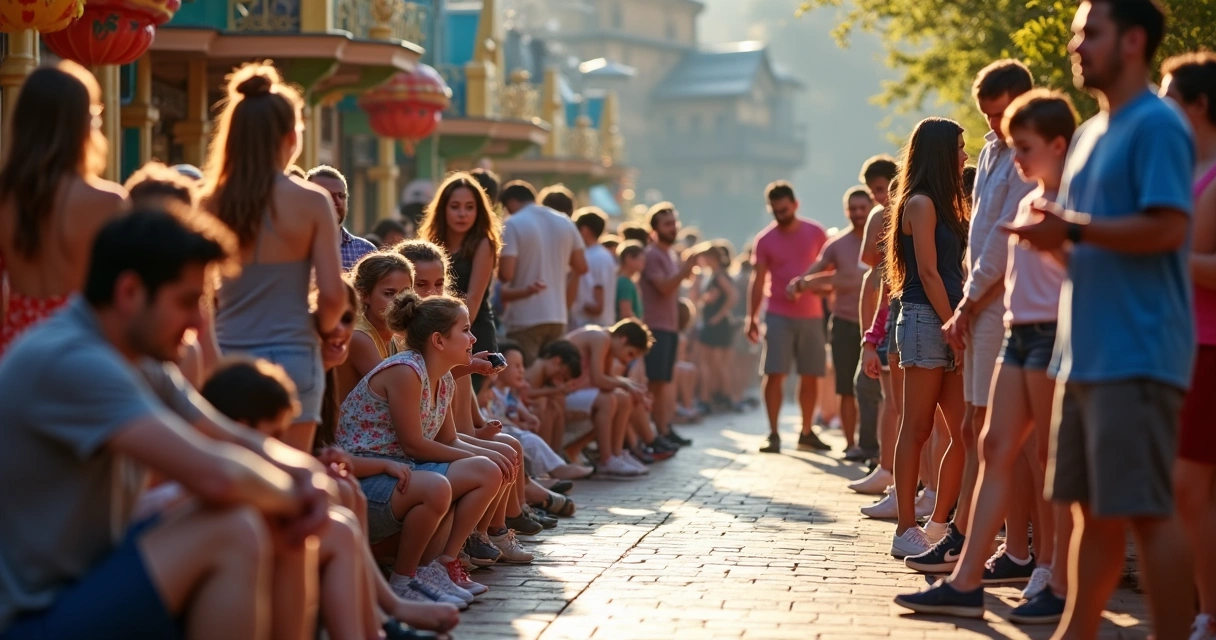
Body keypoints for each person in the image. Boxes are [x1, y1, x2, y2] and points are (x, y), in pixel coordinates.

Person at [0, 208, 336, 640]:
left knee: (273, 517)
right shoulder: (73, 359)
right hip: (30, 617)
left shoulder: (136, 356)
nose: (199, 323)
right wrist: (296, 495)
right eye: (187, 301)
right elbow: (217, 476)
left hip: (83, 586)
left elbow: (230, 437)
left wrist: (306, 477)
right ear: (129, 293)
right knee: (233, 529)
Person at [1006, 2, 1196, 638]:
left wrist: (1073, 229)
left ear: (1133, 41)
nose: (1075, 44)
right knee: (1089, 514)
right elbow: (1086, 246)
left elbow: (1170, 227)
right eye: (1076, 32)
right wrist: (1049, 240)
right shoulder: (1089, 134)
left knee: (1148, 514)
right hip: (1080, 355)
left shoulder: (1159, 125)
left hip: (1137, 353)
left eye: (1091, 32)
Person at [894, 90, 1078, 620]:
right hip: (974, 326)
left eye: (1021, 144)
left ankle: (1034, 565)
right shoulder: (945, 200)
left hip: (1016, 329)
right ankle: (947, 552)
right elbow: (941, 269)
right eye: (959, 145)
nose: (1000, 154)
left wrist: (965, 310)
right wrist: (962, 313)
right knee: (964, 437)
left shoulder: (1047, 197)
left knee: (1009, 446)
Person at [204, 62, 346, 452]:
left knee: (239, 481)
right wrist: (316, 327)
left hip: (227, 355)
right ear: (289, 137)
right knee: (292, 483)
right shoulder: (311, 201)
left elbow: (199, 298)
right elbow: (334, 296)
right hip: (296, 353)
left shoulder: (209, 203)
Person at [927, 59, 1036, 566]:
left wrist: (969, 303)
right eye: (987, 116)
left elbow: (1004, 238)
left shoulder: (1025, 153)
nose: (994, 125)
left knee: (1004, 435)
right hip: (979, 300)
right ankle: (977, 535)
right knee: (976, 427)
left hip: (1002, 302)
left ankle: (1005, 544)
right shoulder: (994, 150)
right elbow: (981, 236)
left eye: (1002, 112)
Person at [337, 290, 511, 597]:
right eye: (466, 330)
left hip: (401, 473)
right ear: (438, 340)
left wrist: (490, 458)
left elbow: (449, 440)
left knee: (484, 472)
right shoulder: (406, 371)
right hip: (367, 480)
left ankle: (442, 565)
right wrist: (480, 456)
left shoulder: (442, 377)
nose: (473, 339)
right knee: (446, 483)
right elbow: (414, 446)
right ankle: (404, 581)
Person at [0, 62, 128, 360]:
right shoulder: (109, 202)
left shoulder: (5, 197)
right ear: (84, 124)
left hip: (17, 348)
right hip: (84, 345)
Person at [884, 117, 970, 559]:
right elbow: (929, 273)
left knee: (966, 433)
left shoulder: (950, 205)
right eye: (960, 147)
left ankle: (941, 524)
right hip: (924, 319)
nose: (966, 155)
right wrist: (953, 324)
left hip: (950, 321)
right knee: (916, 428)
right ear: (940, 152)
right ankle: (904, 527)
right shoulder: (918, 203)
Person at [1161, 51, 1216, 640]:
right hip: (1182, 346)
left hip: (1209, 348)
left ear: (1199, 104)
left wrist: (1161, 249)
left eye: (1170, 92)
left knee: (1190, 487)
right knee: (1186, 489)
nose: (1160, 101)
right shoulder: (1184, 169)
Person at [789, 186, 873, 456]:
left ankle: (876, 445)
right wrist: (803, 281)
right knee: (846, 386)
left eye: (863, 208)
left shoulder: (882, 238)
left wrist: (822, 282)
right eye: (853, 209)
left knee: (876, 389)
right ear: (846, 211)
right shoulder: (837, 245)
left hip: (878, 323)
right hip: (845, 322)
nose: (859, 214)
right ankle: (851, 444)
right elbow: (818, 266)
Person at [747, 182, 830, 454]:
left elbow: (830, 269)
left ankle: (807, 431)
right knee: (774, 372)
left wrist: (823, 291)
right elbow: (758, 281)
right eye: (775, 211)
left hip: (812, 313)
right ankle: (773, 433)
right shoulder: (765, 240)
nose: (780, 215)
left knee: (811, 374)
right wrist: (751, 317)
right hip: (778, 314)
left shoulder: (815, 232)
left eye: (784, 209)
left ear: (795, 205)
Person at [419, 172, 502, 390]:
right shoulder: (431, 242)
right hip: (437, 332)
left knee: (462, 401)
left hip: (472, 331)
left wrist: (458, 335)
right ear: (443, 209)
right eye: (455, 206)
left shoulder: (484, 243)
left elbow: (473, 298)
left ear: (479, 210)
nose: (462, 214)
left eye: (469, 207)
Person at [640, 203, 710, 449]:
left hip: (669, 326)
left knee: (663, 383)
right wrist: (685, 267)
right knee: (653, 383)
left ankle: (663, 429)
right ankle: (649, 433)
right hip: (654, 327)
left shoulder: (669, 254)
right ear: (655, 228)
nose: (673, 228)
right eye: (667, 224)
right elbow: (663, 287)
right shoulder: (652, 255)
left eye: (674, 222)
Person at [497, 180, 588, 364]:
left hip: (525, 318)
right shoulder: (565, 221)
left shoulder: (513, 223)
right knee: (550, 380)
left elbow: (506, 274)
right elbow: (581, 266)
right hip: (558, 317)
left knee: (526, 379)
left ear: (511, 202)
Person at [853, 155, 900, 495]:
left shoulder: (901, 208)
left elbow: (871, 256)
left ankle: (894, 468)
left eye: (882, 190)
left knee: (896, 402)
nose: (879, 198)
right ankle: (886, 464)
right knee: (885, 397)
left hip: (897, 309)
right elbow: (868, 259)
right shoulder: (880, 213)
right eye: (874, 193)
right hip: (881, 311)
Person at [562, 320, 656, 476]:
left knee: (624, 399)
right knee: (608, 401)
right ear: (623, 339)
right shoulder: (601, 338)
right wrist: (627, 385)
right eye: (630, 353)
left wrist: (634, 390)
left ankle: (617, 455)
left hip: (574, 392)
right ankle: (606, 459)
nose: (627, 360)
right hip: (562, 393)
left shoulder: (607, 343)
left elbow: (607, 382)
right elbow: (598, 380)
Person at [336, 252, 414, 401]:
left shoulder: (396, 336)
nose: (400, 301)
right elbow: (394, 392)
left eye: (405, 292)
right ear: (364, 295)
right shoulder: (359, 337)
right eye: (389, 293)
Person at [307, 165, 376, 272]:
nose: (337, 202)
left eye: (341, 195)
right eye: (328, 195)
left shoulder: (365, 251)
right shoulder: (292, 249)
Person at [697, 243, 740, 410]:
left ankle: (707, 397)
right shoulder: (717, 275)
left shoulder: (719, 276)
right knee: (718, 363)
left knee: (708, 362)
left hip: (716, 324)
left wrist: (718, 316)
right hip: (719, 323)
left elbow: (733, 296)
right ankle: (723, 396)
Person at [571, 207, 618, 328]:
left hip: (589, 325)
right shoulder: (604, 255)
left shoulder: (592, 257)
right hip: (602, 323)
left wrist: (579, 306)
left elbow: (598, 303)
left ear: (585, 230)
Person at [616, 240, 645, 321]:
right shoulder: (624, 283)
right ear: (628, 258)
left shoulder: (628, 281)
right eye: (640, 260)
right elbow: (626, 314)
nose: (643, 263)